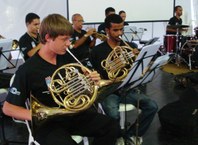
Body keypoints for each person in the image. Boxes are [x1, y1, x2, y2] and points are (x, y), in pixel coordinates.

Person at [2, 13, 119, 145]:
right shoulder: (28, 70)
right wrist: (38, 115)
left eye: (69, 39)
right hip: (47, 123)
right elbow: (8, 108)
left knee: (111, 127)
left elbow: (80, 79)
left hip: (72, 114)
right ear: (48, 38)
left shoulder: (66, 57)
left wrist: (90, 78)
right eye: (64, 39)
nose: (69, 43)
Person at [90, 14, 158, 145]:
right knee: (113, 113)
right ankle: (116, 136)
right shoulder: (98, 51)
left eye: (121, 29)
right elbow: (101, 74)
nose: (120, 33)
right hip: (108, 90)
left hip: (127, 87)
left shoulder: (130, 46)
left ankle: (130, 134)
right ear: (107, 30)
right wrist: (120, 61)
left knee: (152, 106)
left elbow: (136, 70)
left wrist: (139, 59)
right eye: (115, 30)